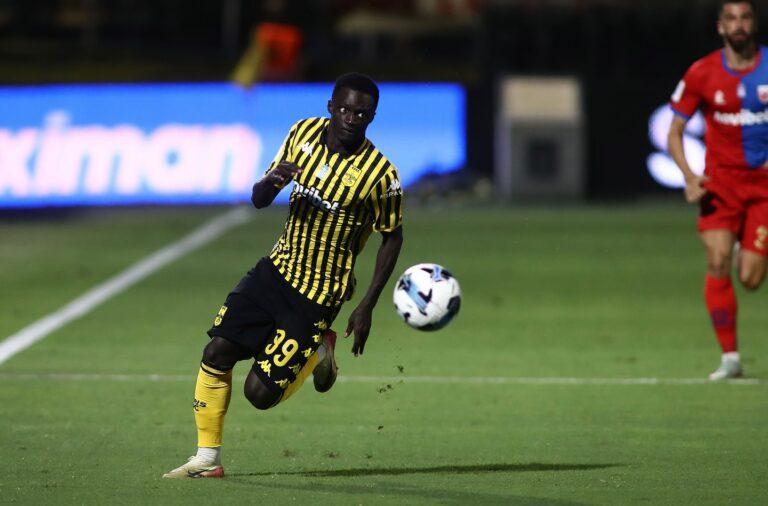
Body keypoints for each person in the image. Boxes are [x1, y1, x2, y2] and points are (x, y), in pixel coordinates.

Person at [163, 73, 404, 478]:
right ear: (331, 107)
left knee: (258, 395)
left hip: (319, 294)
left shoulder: (380, 174)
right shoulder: (302, 133)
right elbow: (259, 199)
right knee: (216, 351)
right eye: (345, 110)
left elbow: (392, 237)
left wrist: (367, 305)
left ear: (372, 116)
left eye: (362, 114)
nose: (351, 119)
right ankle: (207, 458)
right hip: (275, 271)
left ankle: (319, 351)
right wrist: (272, 182)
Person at [667, 0, 768, 380]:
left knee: (751, 280)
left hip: (763, 188)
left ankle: (745, 246)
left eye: (745, 17)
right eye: (731, 19)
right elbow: (675, 131)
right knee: (716, 261)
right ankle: (730, 359)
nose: (738, 24)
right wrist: (689, 176)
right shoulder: (702, 72)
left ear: (754, 23)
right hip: (721, 185)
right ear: (720, 27)